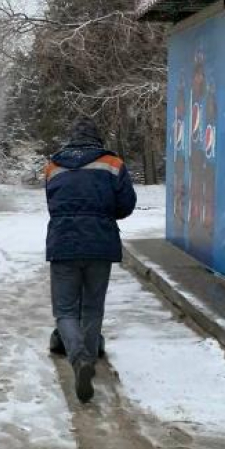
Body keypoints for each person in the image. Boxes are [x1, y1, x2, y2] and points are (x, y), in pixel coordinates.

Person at [44, 117, 137, 402]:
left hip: (64, 243)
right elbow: (127, 204)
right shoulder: (113, 164)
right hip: (100, 242)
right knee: (93, 306)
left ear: (71, 138)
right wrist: (103, 214)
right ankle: (89, 355)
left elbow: (52, 203)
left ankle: (78, 359)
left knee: (65, 310)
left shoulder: (53, 166)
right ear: (97, 138)